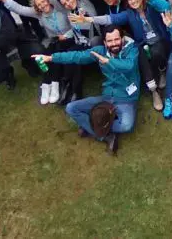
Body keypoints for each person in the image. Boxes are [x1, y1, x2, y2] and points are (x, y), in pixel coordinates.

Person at [38, 26, 140, 156]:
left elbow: (129, 66)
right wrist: (51, 58)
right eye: (110, 41)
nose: (114, 43)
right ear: (104, 42)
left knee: (126, 125)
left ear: (122, 39)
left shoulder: (132, 50)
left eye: (117, 39)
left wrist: (108, 61)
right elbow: (77, 56)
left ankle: (92, 125)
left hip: (126, 98)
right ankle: (107, 136)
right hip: (107, 97)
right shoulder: (100, 51)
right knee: (71, 108)